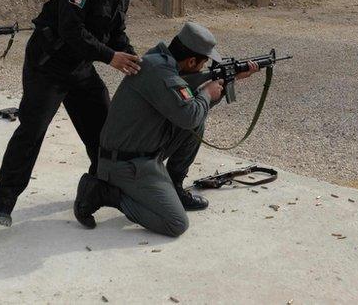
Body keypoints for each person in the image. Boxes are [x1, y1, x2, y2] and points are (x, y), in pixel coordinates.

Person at [0, 0, 155, 227]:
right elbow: (70, 29)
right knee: (32, 130)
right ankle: (2, 203)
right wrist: (110, 57)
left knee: (105, 132)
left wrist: (133, 58)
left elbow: (116, 34)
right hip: (48, 65)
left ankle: (94, 189)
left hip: (79, 68)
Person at [72, 23, 259, 236]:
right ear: (190, 61)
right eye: (202, 64)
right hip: (125, 163)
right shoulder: (161, 74)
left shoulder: (161, 61)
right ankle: (104, 193)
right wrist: (207, 93)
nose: (202, 69)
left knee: (197, 122)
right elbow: (190, 113)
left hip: (140, 150)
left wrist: (227, 82)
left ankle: (175, 187)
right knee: (176, 223)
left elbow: (189, 112)